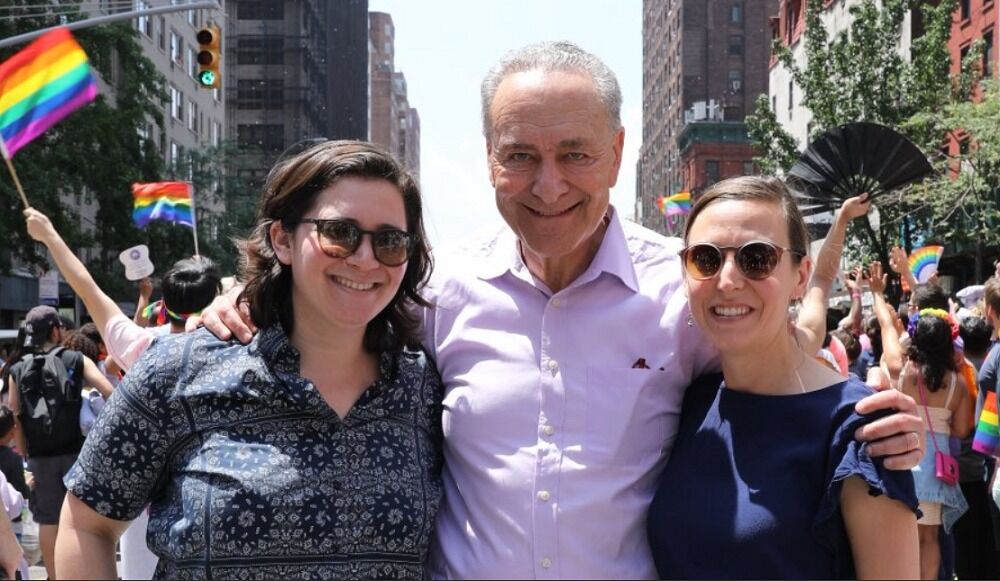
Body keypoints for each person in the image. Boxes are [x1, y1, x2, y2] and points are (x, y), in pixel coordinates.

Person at [197, 41, 926, 578]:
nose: (548, 186)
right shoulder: (438, 288)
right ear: (488, 159)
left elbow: (777, 363)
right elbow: (335, 306)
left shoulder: (685, 291)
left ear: (615, 153)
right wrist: (247, 300)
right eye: (520, 155)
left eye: (575, 154)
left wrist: (873, 415)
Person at [55, 141, 444, 579]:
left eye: (390, 241)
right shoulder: (178, 370)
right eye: (340, 233)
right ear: (282, 239)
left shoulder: (424, 387)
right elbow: (87, 523)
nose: (365, 258)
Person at [646, 176, 919, 579]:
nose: (727, 280)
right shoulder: (693, 400)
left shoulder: (863, 431)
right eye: (705, 259)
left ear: (799, 275)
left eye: (756, 258)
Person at [24, 209, 225, 579]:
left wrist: (50, 235)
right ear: (219, 298)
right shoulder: (246, 345)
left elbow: (87, 286)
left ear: (167, 303)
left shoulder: (141, 346)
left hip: (144, 512)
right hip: (221, 513)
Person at [870, 265, 972, 580]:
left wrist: (876, 292)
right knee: (929, 539)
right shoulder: (958, 384)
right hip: (935, 470)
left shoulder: (900, 369)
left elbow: (887, 325)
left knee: (898, 537)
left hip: (898, 458)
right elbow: (962, 430)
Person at [5, 305, 113, 580]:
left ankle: (54, 576)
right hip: (77, 453)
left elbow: (15, 414)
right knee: (81, 521)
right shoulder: (75, 359)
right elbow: (110, 392)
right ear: (55, 330)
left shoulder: (17, 368)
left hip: (40, 457)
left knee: (49, 520)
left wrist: (27, 456)